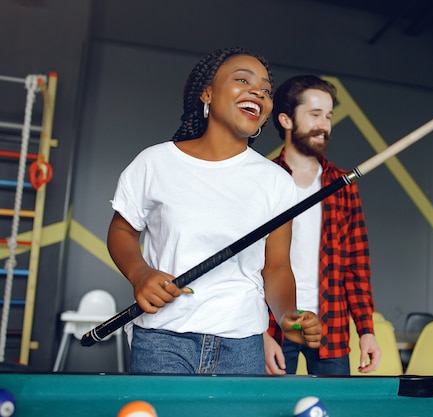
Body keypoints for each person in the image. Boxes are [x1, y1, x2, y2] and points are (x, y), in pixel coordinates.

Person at [107, 47, 322, 375]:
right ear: (207, 92)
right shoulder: (155, 163)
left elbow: (276, 266)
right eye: (241, 80)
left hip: (242, 342)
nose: (258, 92)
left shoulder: (277, 181)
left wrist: (287, 315)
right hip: (163, 337)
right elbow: (122, 231)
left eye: (265, 90)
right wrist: (140, 274)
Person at [263, 75, 380, 375]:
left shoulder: (343, 185)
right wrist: (259, 333)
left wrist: (366, 329)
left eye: (328, 116)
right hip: (273, 325)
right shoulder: (262, 180)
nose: (324, 124)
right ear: (286, 120)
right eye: (314, 114)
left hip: (331, 326)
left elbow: (356, 266)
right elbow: (243, 267)